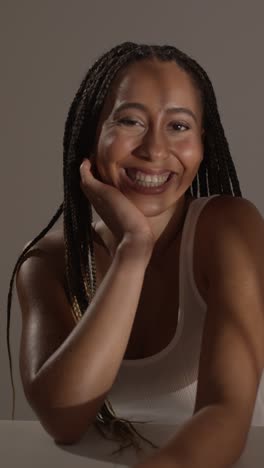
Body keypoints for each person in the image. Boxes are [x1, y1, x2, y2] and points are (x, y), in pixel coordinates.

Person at [7, 42, 264, 467]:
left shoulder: (230, 228)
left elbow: (226, 414)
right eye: (130, 121)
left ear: (203, 143)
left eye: (179, 126)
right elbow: (64, 419)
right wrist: (133, 249)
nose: (155, 150)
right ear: (91, 133)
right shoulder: (47, 262)